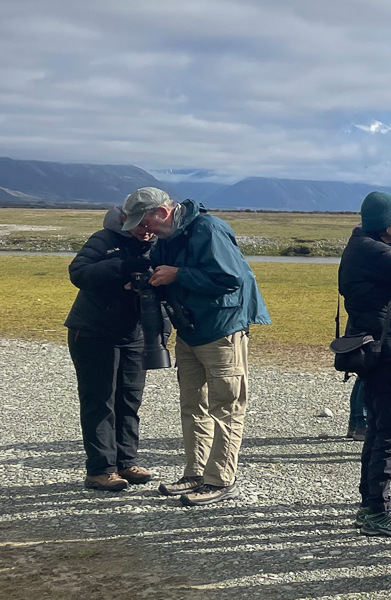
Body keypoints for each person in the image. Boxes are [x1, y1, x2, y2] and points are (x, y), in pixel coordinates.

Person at [123, 188, 270, 507]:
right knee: (193, 405)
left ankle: (220, 479)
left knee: (226, 405)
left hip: (222, 329)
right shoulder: (167, 237)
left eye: (145, 220)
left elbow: (230, 278)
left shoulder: (209, 229)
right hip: (189, 329)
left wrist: (179, 274)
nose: (144, 229)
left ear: (162, 213)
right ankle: (195, 473)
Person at [338, 191, 391, 537]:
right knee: (389, 432)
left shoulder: (363, 246)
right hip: (385, 351)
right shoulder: (373, 252)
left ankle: (369, 505)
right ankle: (377, 509)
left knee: (378, 430)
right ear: (388, 224)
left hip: (375, 346)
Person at [65, 206, 157, 491]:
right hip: (93, 331)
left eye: (151, 224)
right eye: (140, 225)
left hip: (134, 333)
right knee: (100, 400)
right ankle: (100, 469)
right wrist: (123, 266)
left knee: (130, 400)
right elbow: (78, 273)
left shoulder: (159, 246)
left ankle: (125, 462)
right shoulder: (104, 240)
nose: (146, 230)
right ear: (126, 221)